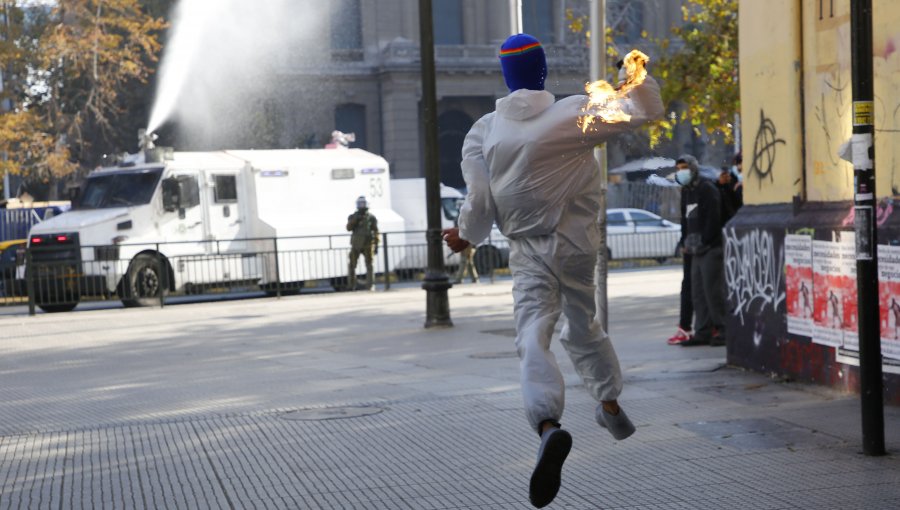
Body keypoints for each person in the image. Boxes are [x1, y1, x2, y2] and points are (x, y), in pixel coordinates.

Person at [442, 33, 664, 508]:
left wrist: (465, 234)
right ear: (541, 72)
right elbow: (642, 110)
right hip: (578, 246)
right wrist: (633, 73)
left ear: (506, 77)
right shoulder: (572, 114)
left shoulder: (483, 131)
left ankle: (548, 426)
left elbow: (479, 203)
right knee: (583, 323)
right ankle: (609, 405)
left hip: (528, 250)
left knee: (533, 335)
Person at [673, 155, 726, 347]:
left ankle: (722, 328)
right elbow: (685, 221)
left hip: (710, 248)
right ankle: (702, 331)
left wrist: (705, 240)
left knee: (713, 291)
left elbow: (714, 218)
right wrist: (684, 242)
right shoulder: (687, 192)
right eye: (678, 168)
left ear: (694, 168)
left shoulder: (706, 188)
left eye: (684, 167)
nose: (681, 171)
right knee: (698, 292)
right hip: (694, 250)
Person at [346, 196, 379, 291]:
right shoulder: (353, 216)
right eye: (360, 203)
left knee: (369, 265)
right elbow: (348, 228)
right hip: (356, 244)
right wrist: (355, 220)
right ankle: (351, 285)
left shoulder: (371, 217)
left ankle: (370, 285)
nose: (362, 205)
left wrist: (376, 244)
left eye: (363, 203)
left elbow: (376, 231)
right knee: (352, 265)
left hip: (368, 245)